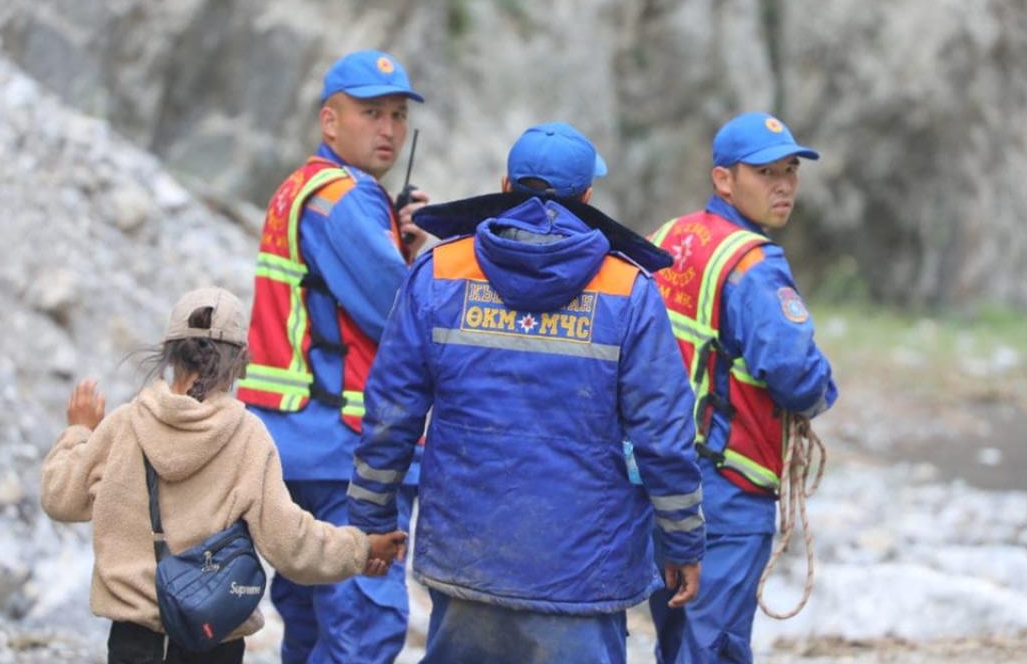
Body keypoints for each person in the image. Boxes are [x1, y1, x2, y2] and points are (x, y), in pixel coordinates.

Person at [347, 122, 706, 664]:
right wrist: (682, 542)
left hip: (466, 564)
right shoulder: (627, 289)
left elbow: (390, 415)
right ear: (587, 197)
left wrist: (371, 519)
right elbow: (664, 437)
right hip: (583, 576)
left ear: (504, 185)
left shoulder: (440, 272)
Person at [40, 287, 407, 664]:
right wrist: (361, 549)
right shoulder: (246, 437)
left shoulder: (123, 426)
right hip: (213, 637)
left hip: (133, 642)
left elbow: (60, 499)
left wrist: (79, 432)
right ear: (241, 361)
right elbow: (291, 544)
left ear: (168, 351)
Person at [233, 50, 428, 664]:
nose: (389, 129)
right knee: (363, 624)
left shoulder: (300, 189)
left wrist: (395, 237)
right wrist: (423, 260)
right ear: (330, 120)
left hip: (289, 442)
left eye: (398, 115)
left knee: (308, 617)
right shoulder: (345, 198)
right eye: (371, 113)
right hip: (350, 447)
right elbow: (400, 312)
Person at [646, 112, 839, 663]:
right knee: (715, 645)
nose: (784, 186)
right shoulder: (752, 264)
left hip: (658, 480)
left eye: (790, 171)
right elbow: (798, 376)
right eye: (766, 173)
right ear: (724, 180)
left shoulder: (667, 238)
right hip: (728, 489)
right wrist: (824, 391)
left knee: (675, 638)